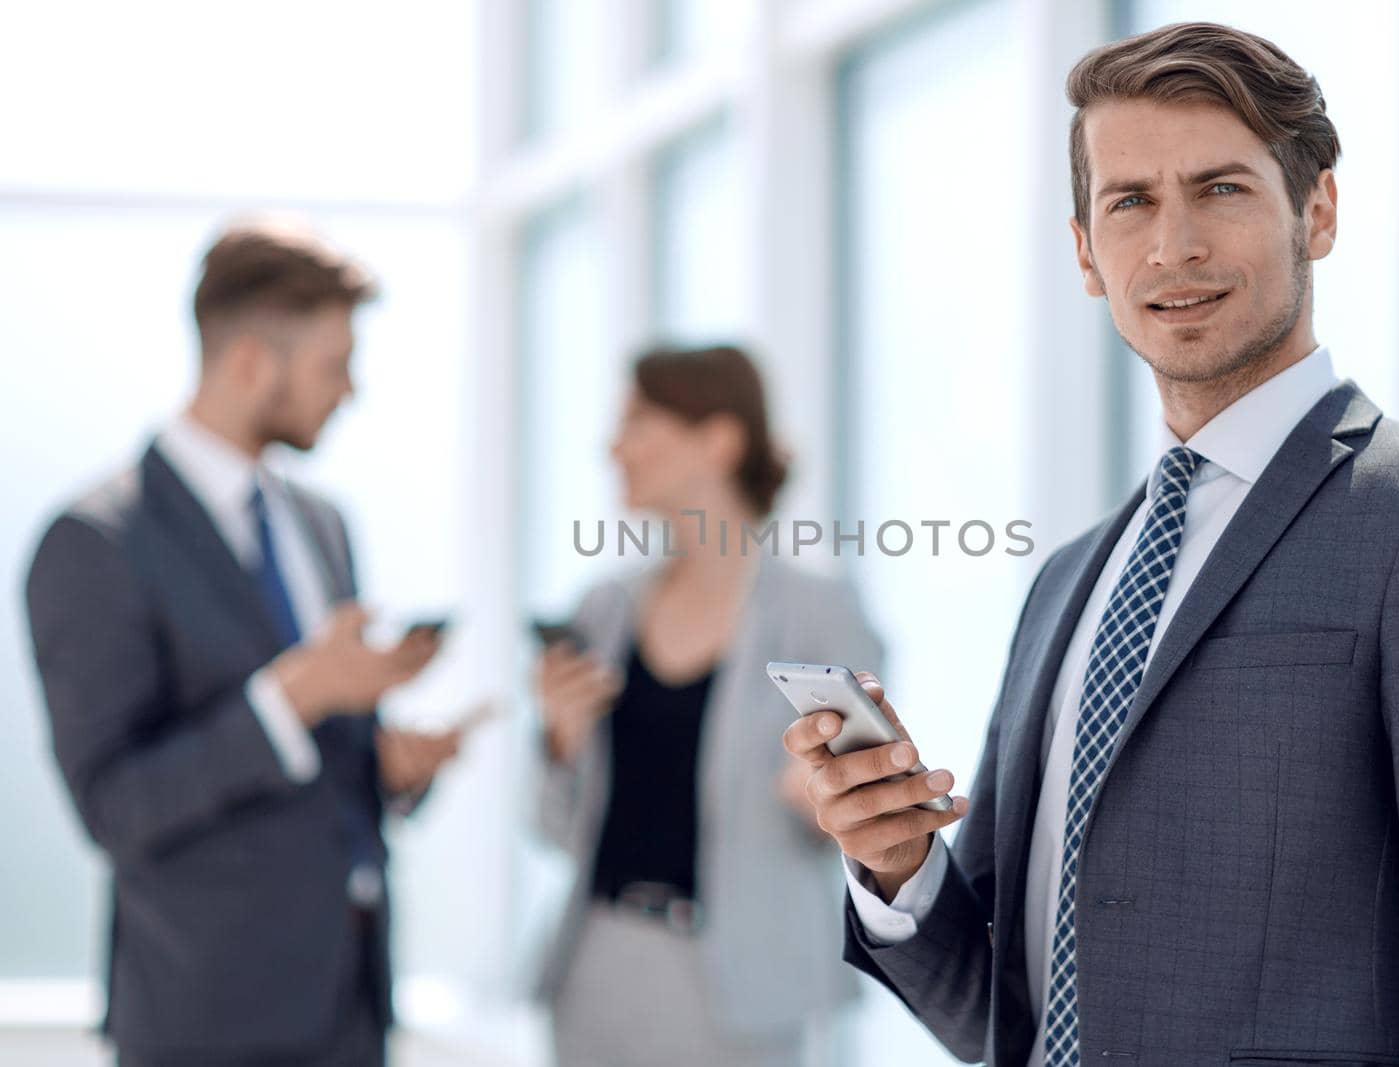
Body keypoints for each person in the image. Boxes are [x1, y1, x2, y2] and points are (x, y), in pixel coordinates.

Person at [783, 21, 1399, 1067]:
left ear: (1317, 211)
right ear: (1085, 250)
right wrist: (896, 868)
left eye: (1220, 189)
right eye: (1130, 203)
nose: (1174, 247)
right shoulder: (1068, 580)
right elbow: (1008, 1011)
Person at [25, 219, 469, 1067]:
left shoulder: (322, 524)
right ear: (248, 364)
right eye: (334, 366)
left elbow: (324, 770)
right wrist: (294, 694)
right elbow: (115, 805)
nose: (352, 390)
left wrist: (390, 762)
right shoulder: (96, 542)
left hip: (351, 1005)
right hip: (208, 1021)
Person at [531, 344, 881, 1066]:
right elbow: (557, 829)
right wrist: (558, 741)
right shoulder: (604, 610)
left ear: (718, 440)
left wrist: (828, 799)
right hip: (595, 965)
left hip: (738, 983)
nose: (612, 445)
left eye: (636, 419)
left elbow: (865, 814)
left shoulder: (817, 614)